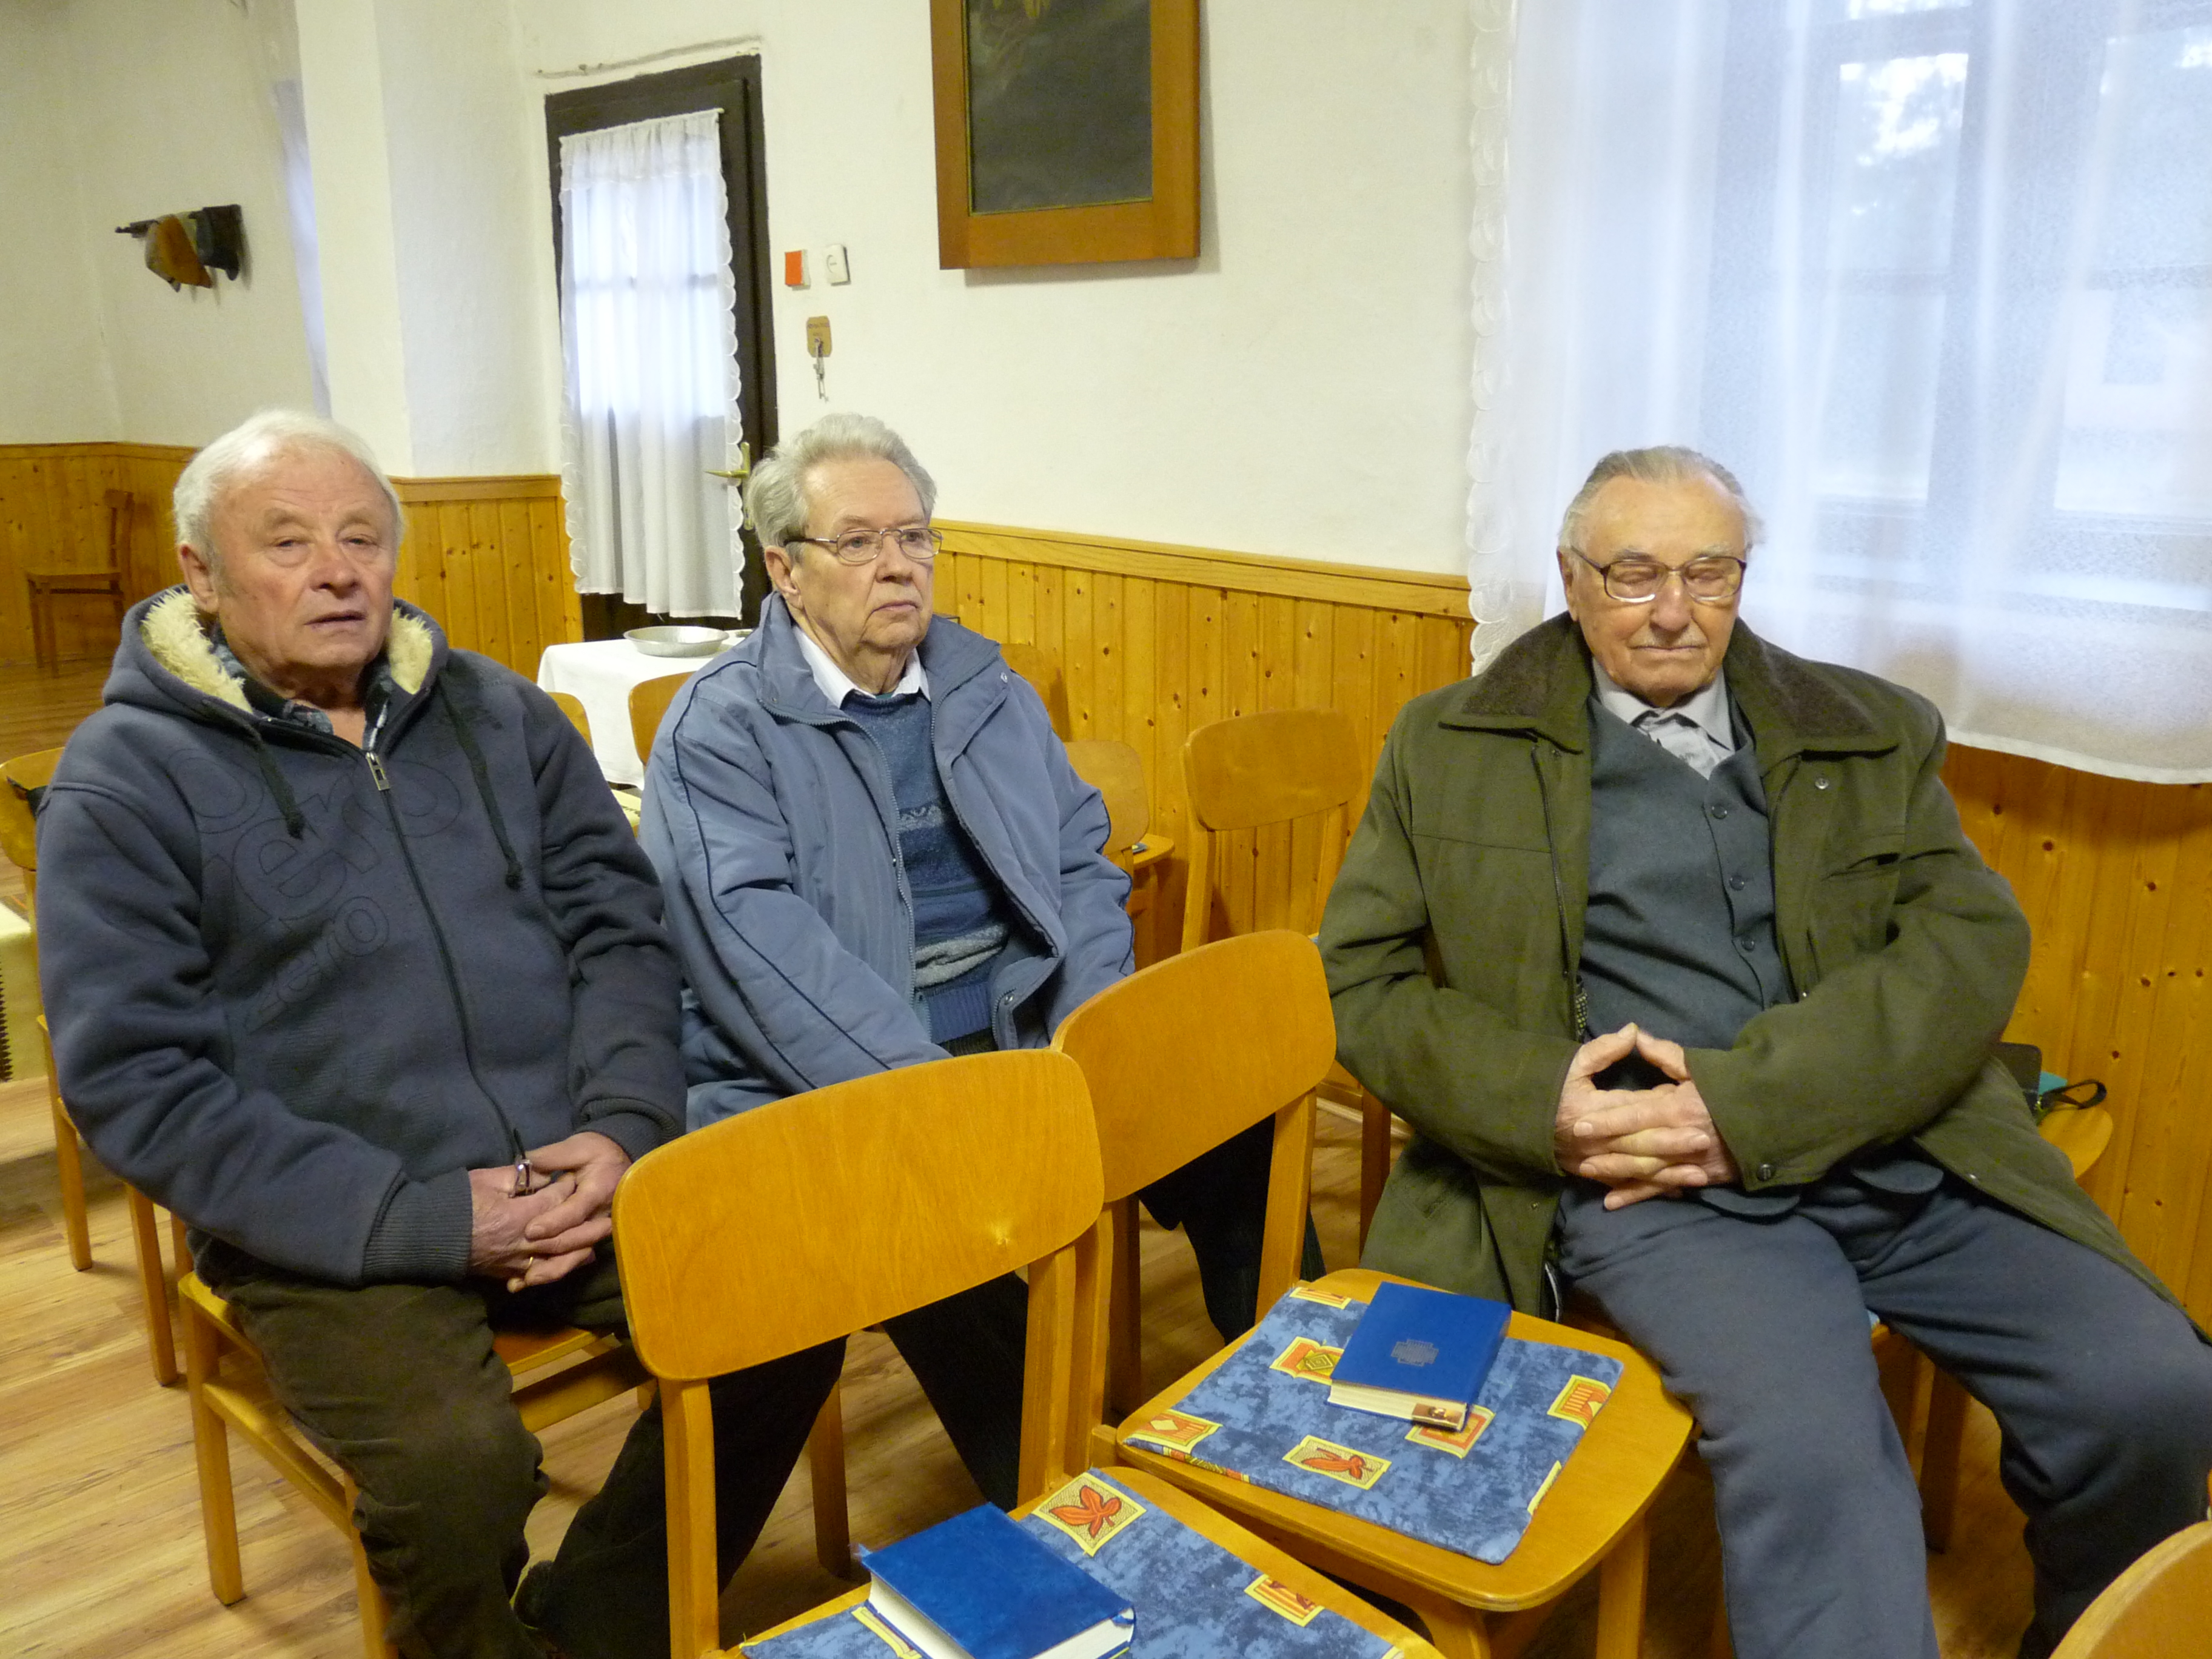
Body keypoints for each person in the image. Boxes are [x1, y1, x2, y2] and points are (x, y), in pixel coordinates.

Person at [1318, 445, 2212, 1659]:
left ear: (1743, 578)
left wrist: (1750, 1103)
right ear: (1571, 579)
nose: (1673, 610)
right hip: (1654, 1183)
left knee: (2153, 1388)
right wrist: (1542, 1103)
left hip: (1896, 1136)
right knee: (1818, 1464)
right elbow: (1364, 981)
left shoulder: (1865, 728)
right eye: (1634, 574)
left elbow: (1970, 939)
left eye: (1709, 572)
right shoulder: (1448, 744)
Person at [33, 410, 823, 1659]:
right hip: (328, 1215)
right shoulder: (123, 781)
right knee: (460, 1473)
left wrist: (620, 1126)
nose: (337, 571)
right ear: (203, 573)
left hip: (569, 1164)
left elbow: (621, 933)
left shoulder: (500, 714)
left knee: (793, 1300)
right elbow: (137, 1085)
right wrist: (426, 1218)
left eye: (362, 538)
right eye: (287, 543)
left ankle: (595, 1628)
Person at [638, 412, 1315, 1514]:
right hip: (838, 1081)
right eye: (858, 542)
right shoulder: (723, 727)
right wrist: (955, 1111)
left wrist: (1093, 1032)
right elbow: (764, 959)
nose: (897, 564)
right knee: (938, 1237)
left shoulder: (978, 683)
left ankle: (1312, 1450)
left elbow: (1080, 858)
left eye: (914, 536)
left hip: (1022, 1039)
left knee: (1230, 1124)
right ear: (786, 572)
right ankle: (1069, 1514)